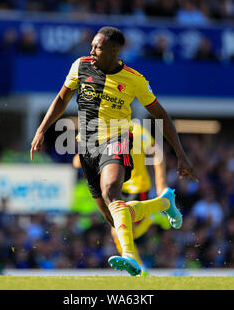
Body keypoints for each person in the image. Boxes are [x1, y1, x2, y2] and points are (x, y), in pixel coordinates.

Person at [30, 26, 198, 276]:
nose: (92, 50)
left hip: (117, 138)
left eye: (97, 47)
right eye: (92, 46)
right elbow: (62, 99)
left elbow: (162, 115)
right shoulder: (80, 66)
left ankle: (131, 257)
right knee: (114, 218)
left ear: (114, 50)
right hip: (86, 145)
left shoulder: (134, 79)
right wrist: (42, 130)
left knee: (111, 190)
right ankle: (164, 202)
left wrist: (182, 155)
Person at [73, 121, 171, 275]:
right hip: (115, 187)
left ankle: (153, 217)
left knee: (126, 231)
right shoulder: (101, 130)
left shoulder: (136, 130)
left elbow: (157, 153)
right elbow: (78, 161)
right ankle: (140, 269)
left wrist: (161, 184)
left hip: (136, 187)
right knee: (118, 232)